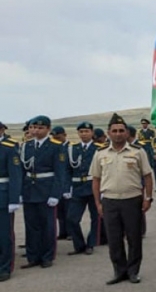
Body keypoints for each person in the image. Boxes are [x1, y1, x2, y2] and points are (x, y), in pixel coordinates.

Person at [92, 114, 153, 284]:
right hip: (110, 200)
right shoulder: (100, 153)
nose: (118, 134)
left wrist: (148, 198)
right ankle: (119, 271)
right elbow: (96, 179)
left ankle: (133, 271)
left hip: (132, 200)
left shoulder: (138, 152)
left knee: (134, 238)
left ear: (127, 133)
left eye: (121, 131)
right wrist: (97, 203)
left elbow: (147, 176)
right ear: (109, 133)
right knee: (114, 239)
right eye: (114, 131)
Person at [20, 115, 68, 270]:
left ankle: (47, 256)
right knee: (31, 225)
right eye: (33, 127)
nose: (36, 130)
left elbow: (60, 173)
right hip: (29, 190)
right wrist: (20, 192)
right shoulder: (26, 146)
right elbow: (22, 171)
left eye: (40, 128)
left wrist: (56, 194)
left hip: (46, 190)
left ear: (48, 129)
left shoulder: (56, 146)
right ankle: (33, 256)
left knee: (47, 225)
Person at [66, 121, 104, 256]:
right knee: (71, 218)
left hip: (93, 186)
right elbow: (67, 170)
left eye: (87, 131)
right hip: (77, 187)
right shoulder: (72, 149)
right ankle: (79, 245)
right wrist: (67, 188)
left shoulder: (99, 149)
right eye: (81, 131)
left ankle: (91, 244)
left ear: (92, 133)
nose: (84, 134)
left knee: (96, 217)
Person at [0, 133, 22, 281]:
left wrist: (14, 199)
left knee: (3, 235)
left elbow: (15, 175)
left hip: (2, 195)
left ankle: (4, 267)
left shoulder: (8, 148)